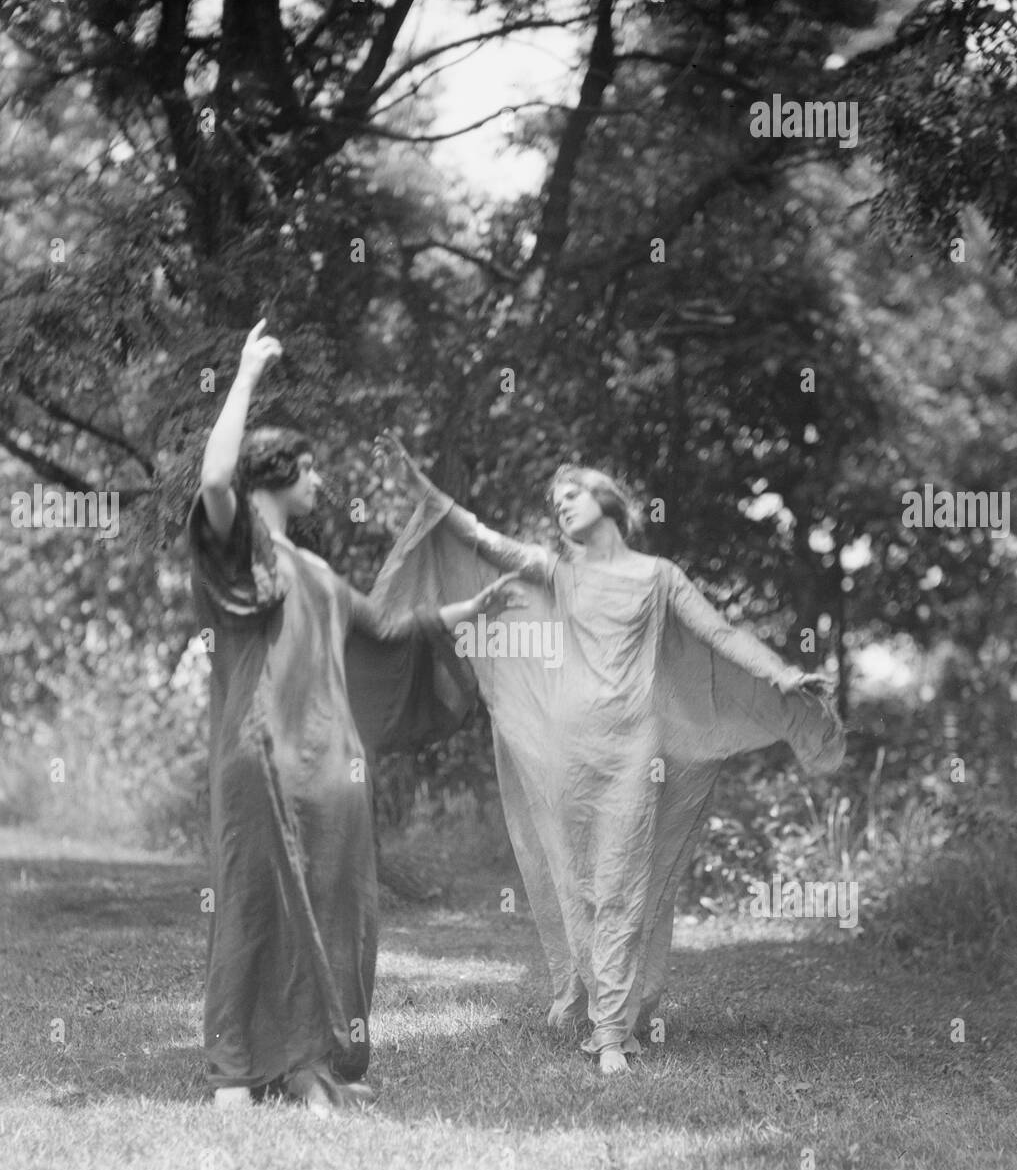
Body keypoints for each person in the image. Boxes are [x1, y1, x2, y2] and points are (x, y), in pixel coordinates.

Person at [372, 433, 846, 1075]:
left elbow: (719, 634)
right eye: (555, 500)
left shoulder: (658, 577)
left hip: (633, 754)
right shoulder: (558, 570)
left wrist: (780, 675)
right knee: (581, 887)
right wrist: (420, 486)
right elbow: (480, 538)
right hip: (565, 750)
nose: (562, 506)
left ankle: (610, 1035)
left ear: (609, 502)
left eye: (573, 495)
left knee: (623, 882)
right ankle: (600, 1004)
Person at [189, 323, 520, 1115]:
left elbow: (391, 630)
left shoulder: (317, 571)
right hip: (260, 751)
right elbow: (211, 482)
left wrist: (472, 606)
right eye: (312, 470)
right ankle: (238, 1068)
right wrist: (244, 372)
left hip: (330, 764)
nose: (322, 483)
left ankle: (307, 1059)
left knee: (335, 903)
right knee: (254, 896)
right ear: (280, 471)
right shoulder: (245, 552)